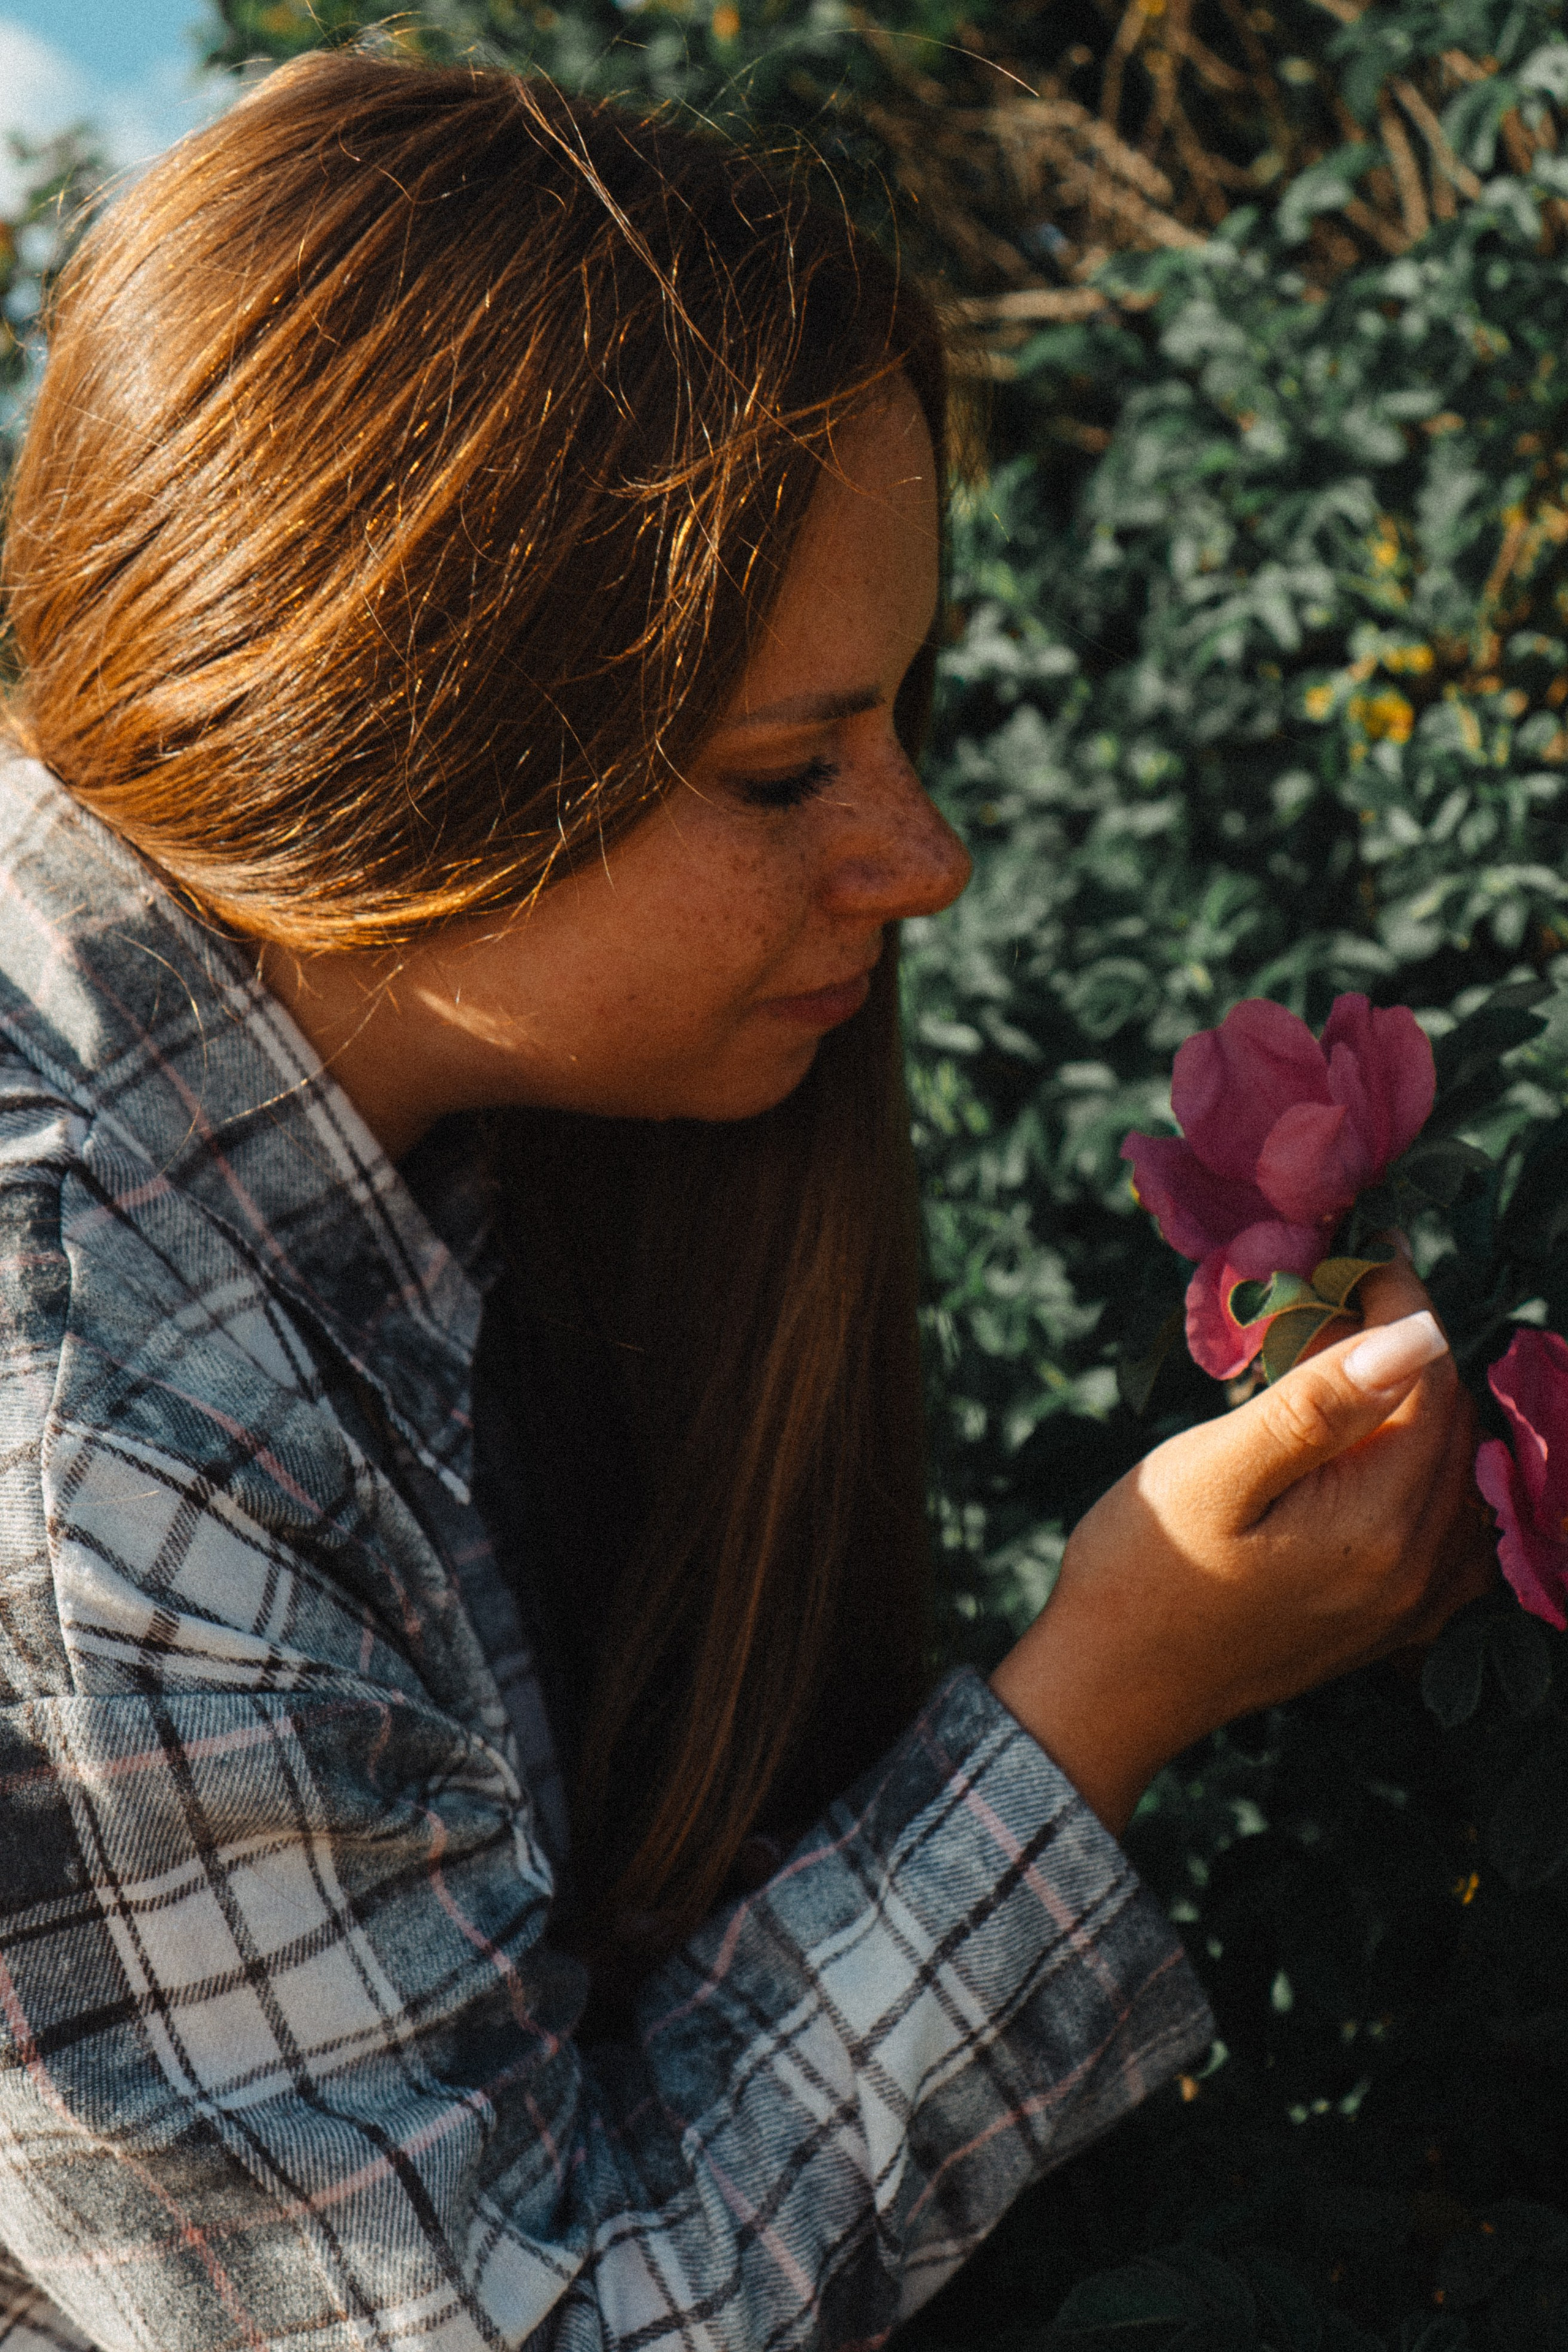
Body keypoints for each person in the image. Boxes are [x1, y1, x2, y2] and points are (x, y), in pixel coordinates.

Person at [0, 49, 1484, 2352]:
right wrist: (1107, 1689)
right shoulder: (92, 1460)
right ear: (389, 743)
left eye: (901, 717)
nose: (929, 860)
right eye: (792, 768)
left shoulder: (372, 1123)